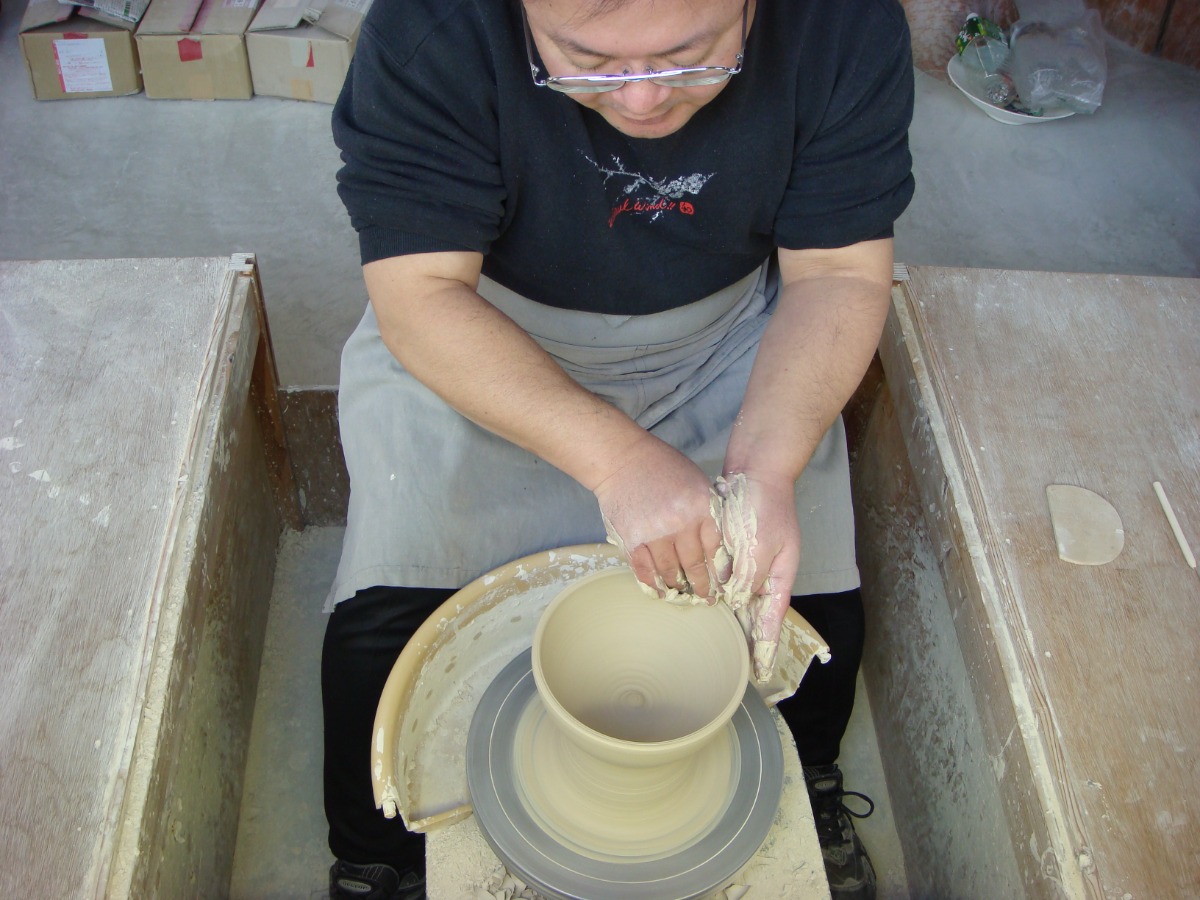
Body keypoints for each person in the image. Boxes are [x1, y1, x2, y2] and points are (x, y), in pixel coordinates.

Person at [322, 0, 914, 897]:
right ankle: (378, 855)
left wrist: (764, 468)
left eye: (690, 56)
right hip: (483, 337)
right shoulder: (429, 28)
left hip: (726, 340)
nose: (642, 100)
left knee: (804, 608)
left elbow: (836, 273)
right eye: (587, 61)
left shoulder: (841, 22)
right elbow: (420, 295)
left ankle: (805, 786)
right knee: (385, 632)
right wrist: (616, 461)